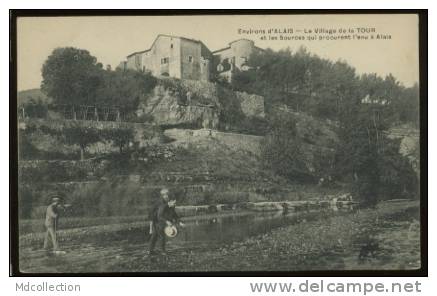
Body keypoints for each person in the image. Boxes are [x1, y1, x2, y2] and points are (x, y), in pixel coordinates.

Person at [149, 189, 184, 255]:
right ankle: (161, 251)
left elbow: (174, 215)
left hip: (161, 221)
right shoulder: (161, 205)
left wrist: (179, 222)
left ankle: (152, 250)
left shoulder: (171, 205)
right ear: (163, 196)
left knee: (156, 236)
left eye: (167, 195)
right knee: (159, 236)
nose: (175, 204)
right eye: (174, 203)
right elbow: (159, 216)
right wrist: (166, 221)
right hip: (157, 221)